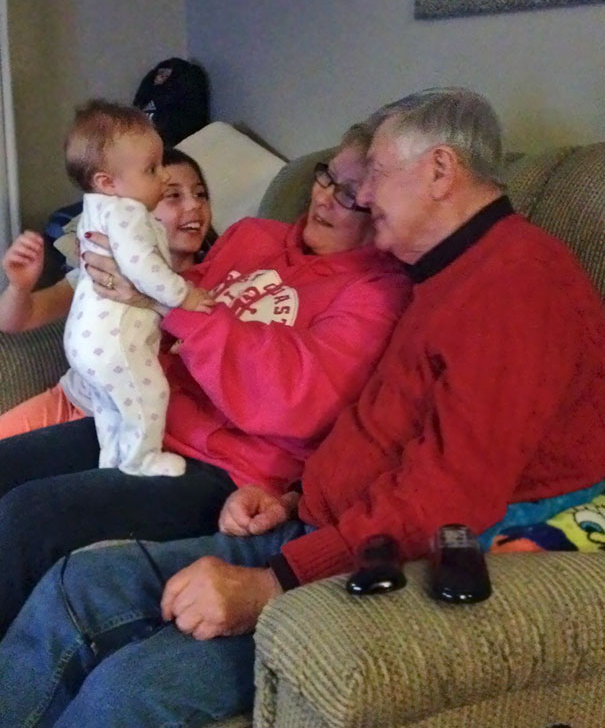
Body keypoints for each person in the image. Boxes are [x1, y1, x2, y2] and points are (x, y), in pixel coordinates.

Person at [1, 87, 602, 728]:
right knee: (77, 586)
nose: (362, 197)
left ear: (439, 171)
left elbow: (448, 496)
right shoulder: (442, 273)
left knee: (130, 688)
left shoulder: (515, 286)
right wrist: (289, 498)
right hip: (303, 520)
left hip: (364, 559)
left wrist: (271, 583)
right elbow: (379, 438)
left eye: (373, 177)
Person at [0, 121, 409, 637]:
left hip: (224, 469)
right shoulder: (253, 237)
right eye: (326, 177)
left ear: (383, 208)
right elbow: (172, 294)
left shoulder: (377, 293)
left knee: (31, 517)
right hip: (143, 421)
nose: (324, 198)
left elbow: (294, 400)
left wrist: (166, 304)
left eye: (349, 195)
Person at [0, 145, 216, 438]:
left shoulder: (213, 281)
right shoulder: (106, 270)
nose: (194, 206)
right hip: (68, 398)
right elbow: (15, 321)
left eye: (200, 194)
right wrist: (20, 286)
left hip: (117, 426)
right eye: (173, 195)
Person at [63, 100, 214, 477]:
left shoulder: (94, 213)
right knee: (150, 395)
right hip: (114, 341)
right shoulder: (127, 213)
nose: (162, 177)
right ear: (107, 182)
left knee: (112, 409)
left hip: (84, 342)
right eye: (152, 169)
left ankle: (113, 461)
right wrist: (185, 296)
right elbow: (142, 268)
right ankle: (141, 459)